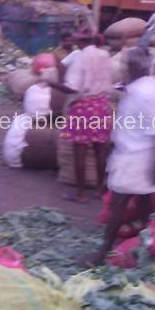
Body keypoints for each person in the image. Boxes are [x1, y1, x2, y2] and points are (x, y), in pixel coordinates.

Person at [92, 48, 155, 264]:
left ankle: (104, 251)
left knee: (118, 204)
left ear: (136, 68)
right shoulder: (138, 87)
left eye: (125, 66)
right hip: (131, 153)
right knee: (144, 203)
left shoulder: (145, 92)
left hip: (136, 157)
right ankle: (151, 246)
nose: (122, 69)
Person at [51, 30, 112, 201]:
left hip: (83, 107)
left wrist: (52, 84)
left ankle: (81, 193)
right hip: (101, 105)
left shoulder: (80, 58)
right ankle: (100, 190)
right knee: (100, 149)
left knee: (80, 150)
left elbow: (73, 87)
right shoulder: (105, 55)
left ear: (79, 42)